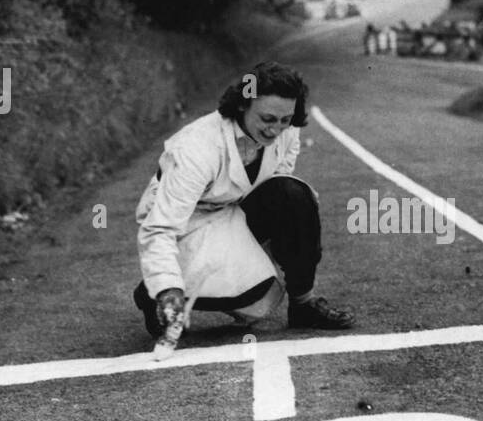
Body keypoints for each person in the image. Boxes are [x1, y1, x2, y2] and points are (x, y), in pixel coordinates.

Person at [132, 61, 354, 346]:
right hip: (188, 220)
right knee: (250, 298)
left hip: (231, 209)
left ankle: (304, 305)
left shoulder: (288, 131)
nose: (276, 130)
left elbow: (276, 194)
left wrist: (275, 253)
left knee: (293, 194)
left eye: (284, 120)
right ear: (242, 106)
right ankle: (152, 295)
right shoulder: (196, 148)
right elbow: (159, 227)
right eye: (267, 119)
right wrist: (167, 288)